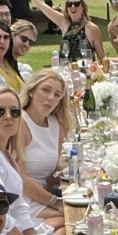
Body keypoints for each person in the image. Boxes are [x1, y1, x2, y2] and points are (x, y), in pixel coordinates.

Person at [0, 86, 70, 235]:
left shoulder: (5, 153)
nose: (8, 117)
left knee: (69, 230)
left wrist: (31, 234)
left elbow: (18, 204)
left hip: (16, 232)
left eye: (14, 112)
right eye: (0, 111)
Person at [13, 0, 105, 65]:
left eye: (77, 4)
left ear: (83, 7)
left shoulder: (92, 28)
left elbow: (102, 58)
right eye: (69, 5)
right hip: (65, 73)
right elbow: (40, 4)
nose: (73, 7)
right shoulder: (63, 22)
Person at [18, 69, 75, 218]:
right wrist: (54, 202)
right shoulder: (20, 123)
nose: (50, 98)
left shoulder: (57, 125)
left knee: (76, 216)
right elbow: (19, 178)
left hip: (43, 198)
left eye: (57, 95)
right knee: (71, 221)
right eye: (45, 90)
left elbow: (51, 174)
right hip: (20, 199)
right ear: (31, 91)